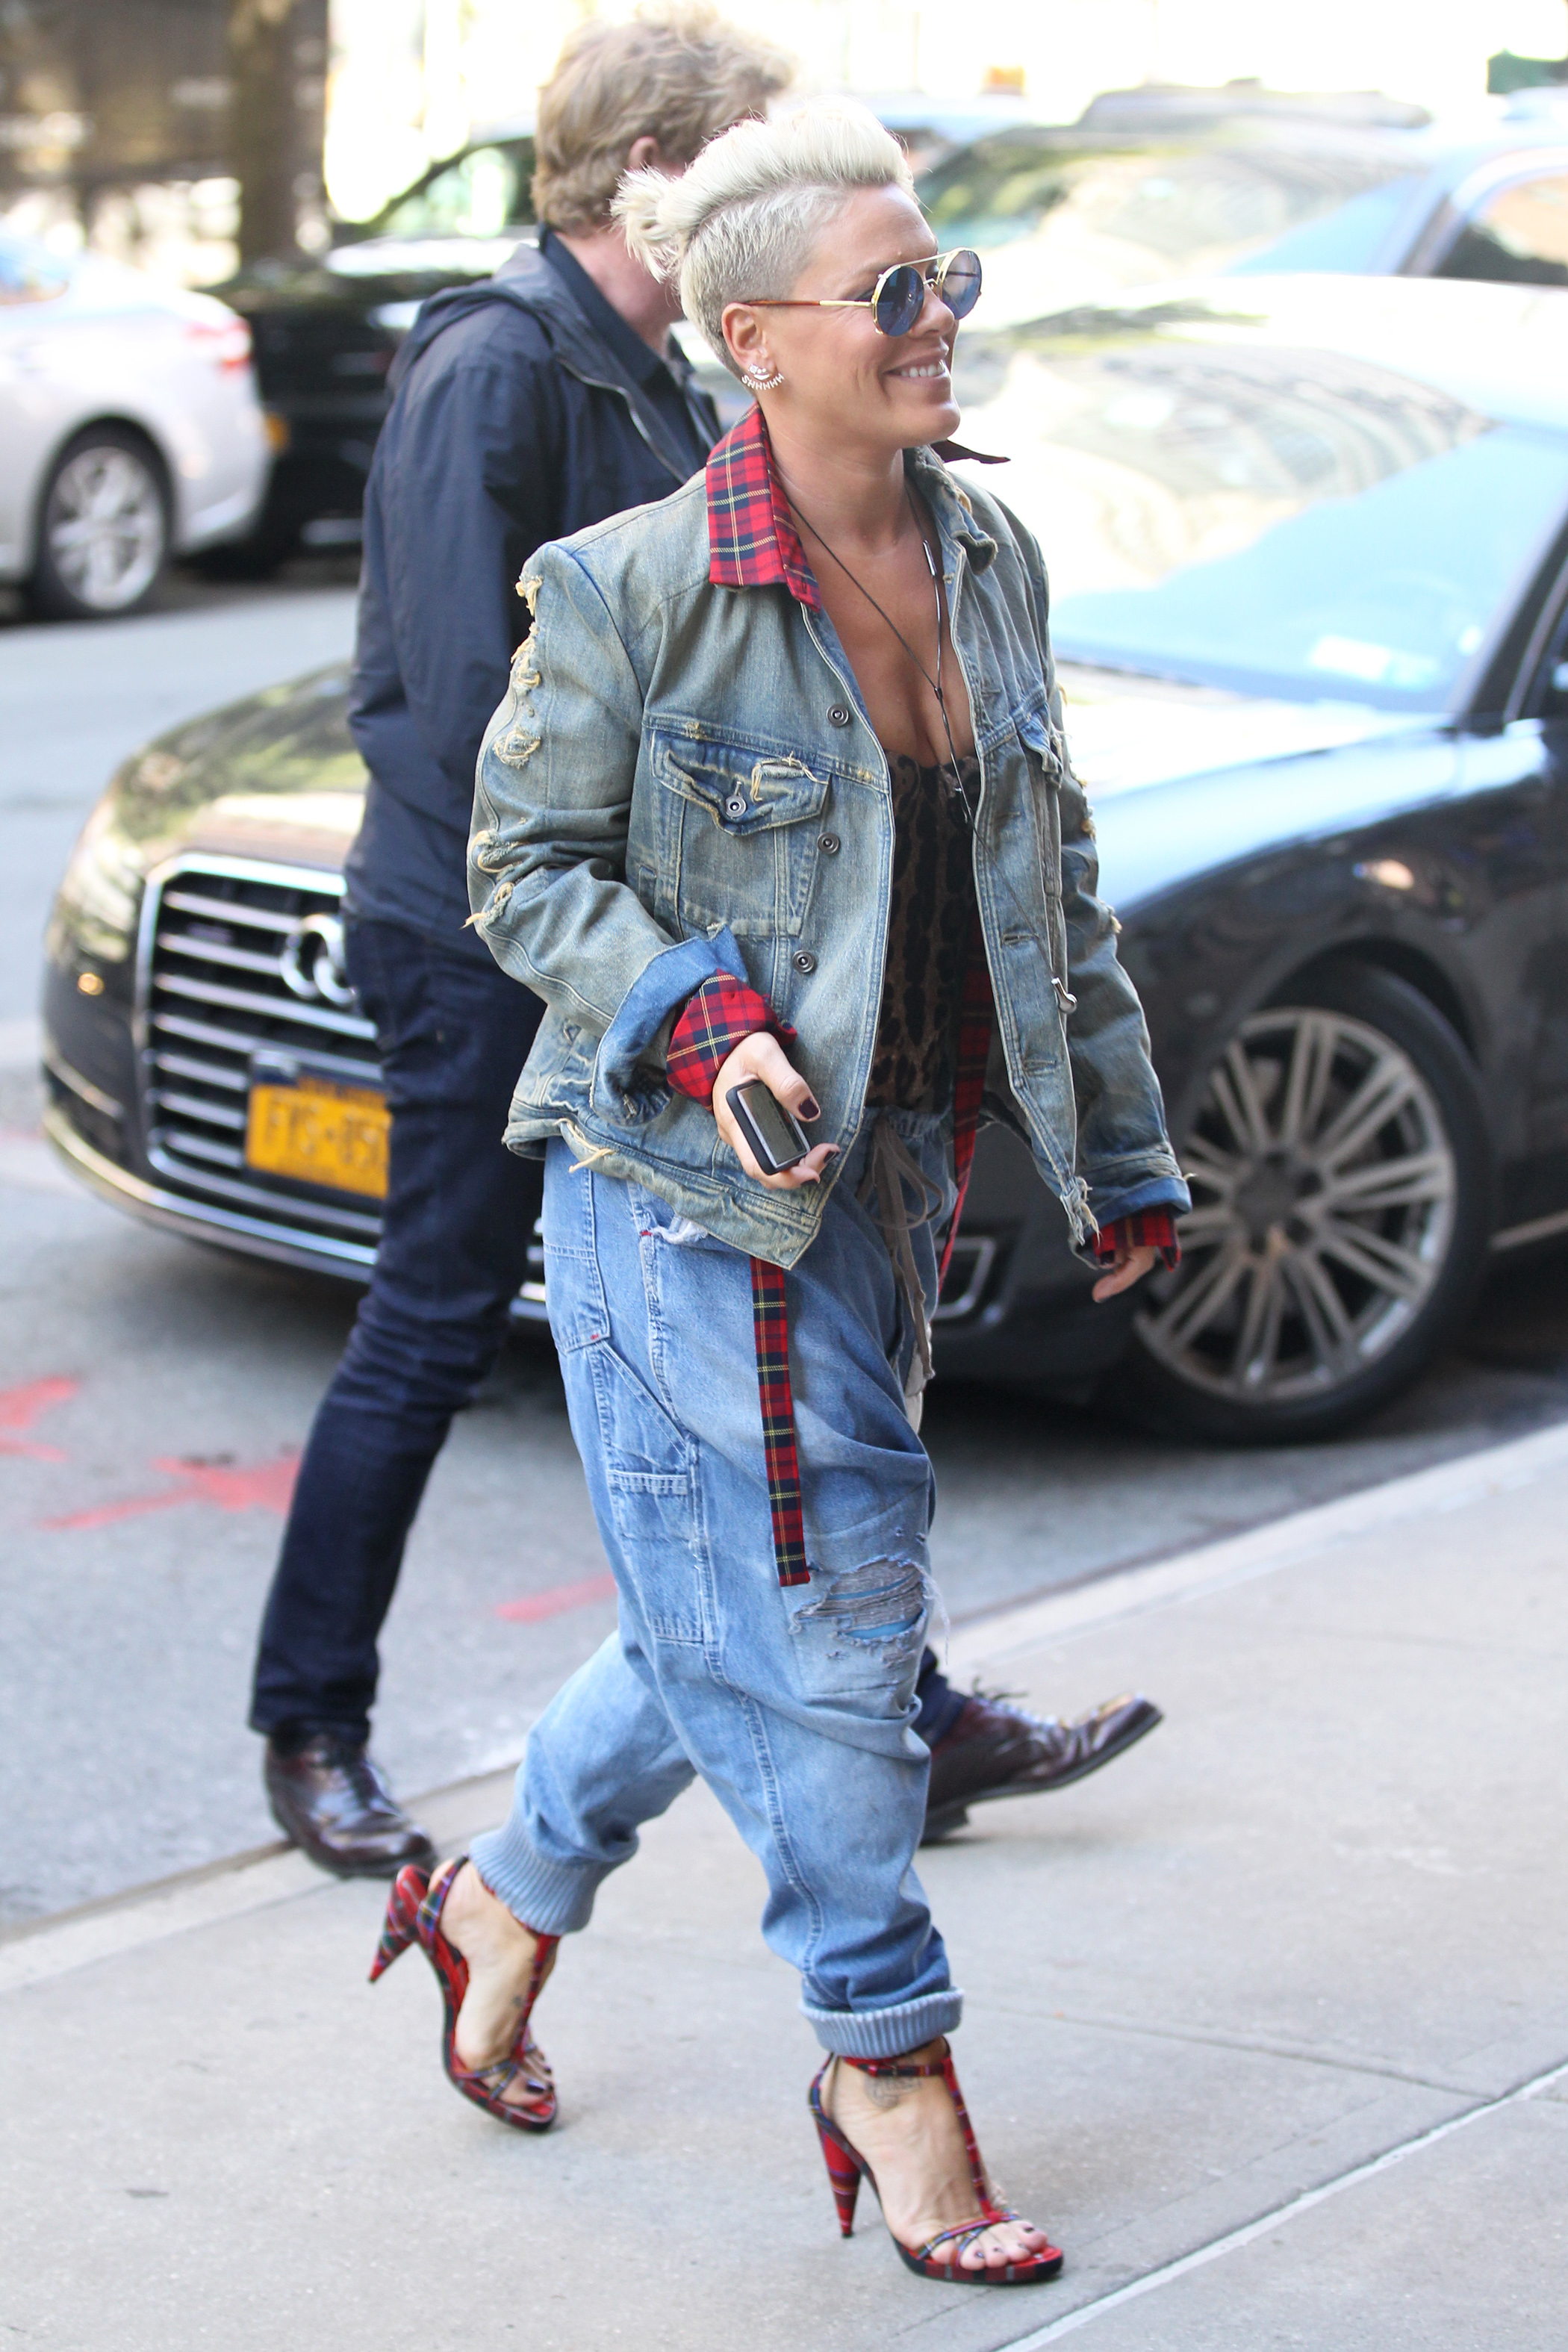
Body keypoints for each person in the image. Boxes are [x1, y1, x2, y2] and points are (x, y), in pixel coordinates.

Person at [370, 105, 1190, 2286]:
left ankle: (497, 1900)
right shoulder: (631, 587)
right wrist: (699, 1010)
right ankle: (883, 2056)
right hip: (684, 1194)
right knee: (833, 1620)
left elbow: (1052, 874)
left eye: (949, 278)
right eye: (894, 290)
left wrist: (1117, 1143)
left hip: (891, 1173)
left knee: (726, 1602)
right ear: (754, 339)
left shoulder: (987, 554)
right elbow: (523, 869)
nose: (940, 319)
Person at [251, 9, 1161, 1880]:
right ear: (663, 170)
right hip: (508, 945)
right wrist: (650, 986)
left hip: (714, 973)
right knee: (434, 1326)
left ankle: (876, 1714)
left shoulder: (685, 374)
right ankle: (315, 1725)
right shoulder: (498, 364)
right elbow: (469, 723)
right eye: (753, 134)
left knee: (792, 1460)